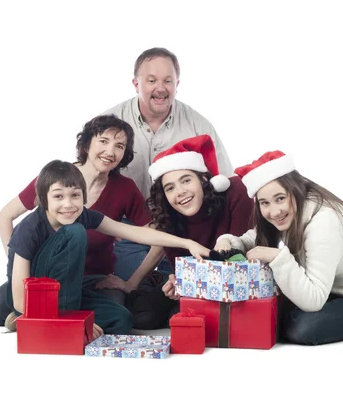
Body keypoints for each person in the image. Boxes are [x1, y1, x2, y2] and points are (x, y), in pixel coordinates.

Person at [0, 115, 152, 329]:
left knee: (120, 311)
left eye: (119, 146)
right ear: (87, 144)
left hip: (93, 279)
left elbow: (153, 236)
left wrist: (131, 282)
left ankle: (46, 315)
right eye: (103, 141)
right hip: (45, 276)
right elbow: (6, 215)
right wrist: (17, 263)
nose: (110, 152)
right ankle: (47, 313)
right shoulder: (56, 179)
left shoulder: (125, 189)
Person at [6, 160, 210, 336]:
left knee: (123, 320)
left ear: (83, 197)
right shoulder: (29, 229)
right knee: (75, 232)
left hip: (69, 292)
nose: (68, 204)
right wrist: (72, 322)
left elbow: (137, 233)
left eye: (75, 195)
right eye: (58, 197)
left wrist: (186, 242)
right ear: (44, 200)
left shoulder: (82, 214)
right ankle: (49, 321)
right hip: (36, 298)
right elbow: (19, 300)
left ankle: (60, 316)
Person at [214, 151, 343, 346]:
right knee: (268, 308)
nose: (274, 211)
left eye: (280, 198)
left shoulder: (323, 223)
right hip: (328, 289)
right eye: (265, 203)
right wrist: (227, 242)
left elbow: (313, 300)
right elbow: (252, 238)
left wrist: (278, 258)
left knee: (302, 328)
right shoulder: (285, 214)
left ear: (295, 190)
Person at [102, 47, 235, 280]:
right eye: (151, 80)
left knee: (175, 296)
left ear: (177, 84)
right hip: (129, 228)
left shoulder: (197, 125)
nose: (160, 88)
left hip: (181, 225)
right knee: (126, 293)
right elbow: (88, 176)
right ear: (136, 83)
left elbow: (224, 181)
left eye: (168, 81)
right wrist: (105, 225)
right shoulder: (110, 123)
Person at [106, 135, 253, 329]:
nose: (180, 192)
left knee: (187, 317)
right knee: (143, 317)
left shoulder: (236, 193)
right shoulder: (169, 216)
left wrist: (190, 282)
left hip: (231, 280)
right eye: (170, 188)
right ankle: (155, 280)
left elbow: (237, 258)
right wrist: (177, 285)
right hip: (198, 279)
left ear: (202, 179)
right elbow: (180, 266)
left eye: (186, 180)